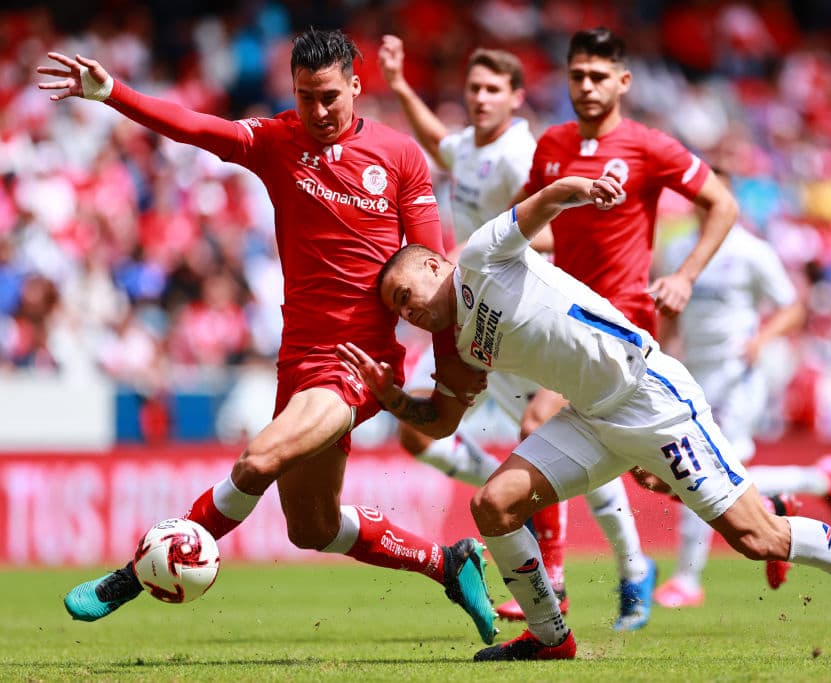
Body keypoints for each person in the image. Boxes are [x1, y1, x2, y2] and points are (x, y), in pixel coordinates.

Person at [337, 173, 831, 661]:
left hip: (649, 395)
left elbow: (544, 201)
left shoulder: (479, 256)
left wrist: (584, 188)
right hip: (589, 419)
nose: (407, 313)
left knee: (757, 538)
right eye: (398, 311)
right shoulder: (461, 347)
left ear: (433, 266)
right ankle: (551, 637)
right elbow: (441, 421)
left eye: (404, 296)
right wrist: (392, 398)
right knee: (493, 505)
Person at [37, 28, 497, 645]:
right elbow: (196, 128)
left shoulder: (400, 157)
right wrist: (113, 92)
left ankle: (131, 577)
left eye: (330, 96)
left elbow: (435, 281)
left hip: (356, 364)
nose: (319, 110)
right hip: (298, 360)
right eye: (306, 97)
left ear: (356, 87)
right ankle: (449, 563)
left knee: (258, 459)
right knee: (312, 527)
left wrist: (448, 382)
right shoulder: (278, 140)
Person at [378, 34, 653, 629]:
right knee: (432, 435)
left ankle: (594, 570)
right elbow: (438, 142)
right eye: (473, 88)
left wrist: (480, 255)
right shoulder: (469, 146)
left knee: (549, 435)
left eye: (492, 89)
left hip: (521, 309)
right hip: (475, 317)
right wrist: (399, 85)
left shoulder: (518, 154)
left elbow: (550, 227)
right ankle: (615, 557)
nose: (480, 98)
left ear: (515, 97)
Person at [500, 26, 740, 628]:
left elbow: (723, 204)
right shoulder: (553, 144)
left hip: (622, 320)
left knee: (538, 423)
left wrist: (684, 275)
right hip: (564, 320)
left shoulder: (649, 146)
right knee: (637, 464)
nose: (586, 86)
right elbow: (537, 224)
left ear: (623, 81)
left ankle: (555, 581)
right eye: (577, 75)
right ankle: (643, 564)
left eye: (598, 76)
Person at [653, 173, 831, 607]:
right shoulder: (677, 248)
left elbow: (793, 307)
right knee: (711, 470)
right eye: (699, 196)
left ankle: (687, 579)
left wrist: (760, 341)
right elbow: (670, 313)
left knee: (704, 468)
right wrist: (663, 360)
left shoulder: (751, 251)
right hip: (693, 374)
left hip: (736, 373)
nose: (705, 204)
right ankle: (814, 481)